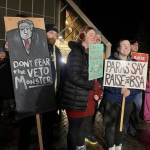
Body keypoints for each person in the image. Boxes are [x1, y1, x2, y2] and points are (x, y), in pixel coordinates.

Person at [18, 24, 63, 150]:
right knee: (27, 126)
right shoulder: (34, 48)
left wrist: (59, 95)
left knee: (48, 127)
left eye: (55, 34)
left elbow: (59, 73)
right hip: (34, 97)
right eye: (50, 33)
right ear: (44, 34)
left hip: (51, 97)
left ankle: (46, 146)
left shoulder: (57, 52)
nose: (53, 36)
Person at [61, 26, 102, 150]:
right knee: (74, 130)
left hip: (87, 100)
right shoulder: (76, 52)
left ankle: (80, 146)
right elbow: (73, 76)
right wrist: (92, 85)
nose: (94, 37)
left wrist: (98, 90)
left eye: (95, 36)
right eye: (91, 35)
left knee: (82, 129)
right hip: (76, 99)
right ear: (82, 36)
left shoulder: (89, 54)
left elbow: (95, 76)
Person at [103, 39, 138, 150]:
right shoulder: (110, 62)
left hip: (127, 101)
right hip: (112, 100)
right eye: (123, 45)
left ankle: (118, 144)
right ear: (118, 48)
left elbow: (138, 85)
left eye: (128, 45)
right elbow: (105, 82)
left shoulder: (135, 64)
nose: (126, 47)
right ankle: (110, 145)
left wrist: (130, 91)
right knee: (110, 125)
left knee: (123, 124)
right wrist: (119, 90)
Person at [128, 40, 143, 136]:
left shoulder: (141, 58)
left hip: (138, 90)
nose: (137, 46)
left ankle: (133, 127)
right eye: (135, 45)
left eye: (138, 45)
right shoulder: (126, 57)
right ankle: (129, 128)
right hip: (128, 88)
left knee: (137, 109)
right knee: (128, 109)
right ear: (130, 46)